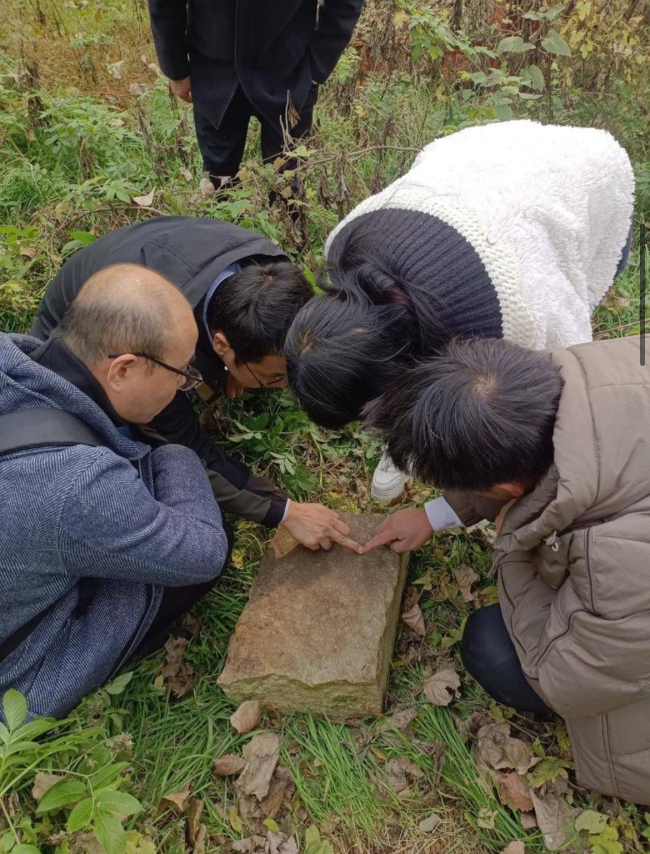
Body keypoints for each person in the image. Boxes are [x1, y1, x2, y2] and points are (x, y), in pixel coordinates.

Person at [285, 119, 635, 514]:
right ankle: (410, 436)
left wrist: (448, 513)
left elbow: (559, 410)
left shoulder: (523, 320)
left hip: (582, 179)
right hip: (470, 169)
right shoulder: (344, 247)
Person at [364, 334, 650, 805]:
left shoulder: (617, 556)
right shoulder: (577, 374)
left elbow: (570, 679)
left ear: (506, 487)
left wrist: (512, 543)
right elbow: (519, 455)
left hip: (614, 638)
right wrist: (432, 516)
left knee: (490, 646)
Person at [31, 217, 362, 553]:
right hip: (69, 341)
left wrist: (228, 372)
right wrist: (286, 512)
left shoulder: (272, 276)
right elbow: (189, 448)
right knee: (129, 446)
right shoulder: (161, 347)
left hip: (149, 277)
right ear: (222, 345)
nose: (282, 387)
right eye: (275, 378)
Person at [0, 268, 230, 718]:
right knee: (191, 554)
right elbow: (204, 550)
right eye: (180, 372)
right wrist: (174, 453)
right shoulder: (80, 486)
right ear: (122, 368)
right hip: (12, 673)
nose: (185, 385)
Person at [147, 0, 365, 188]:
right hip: (213, 69)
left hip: (291, 70)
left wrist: (317, 65)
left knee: (287, 187)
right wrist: (175, 68)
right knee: (218, 186)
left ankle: (284, 234)